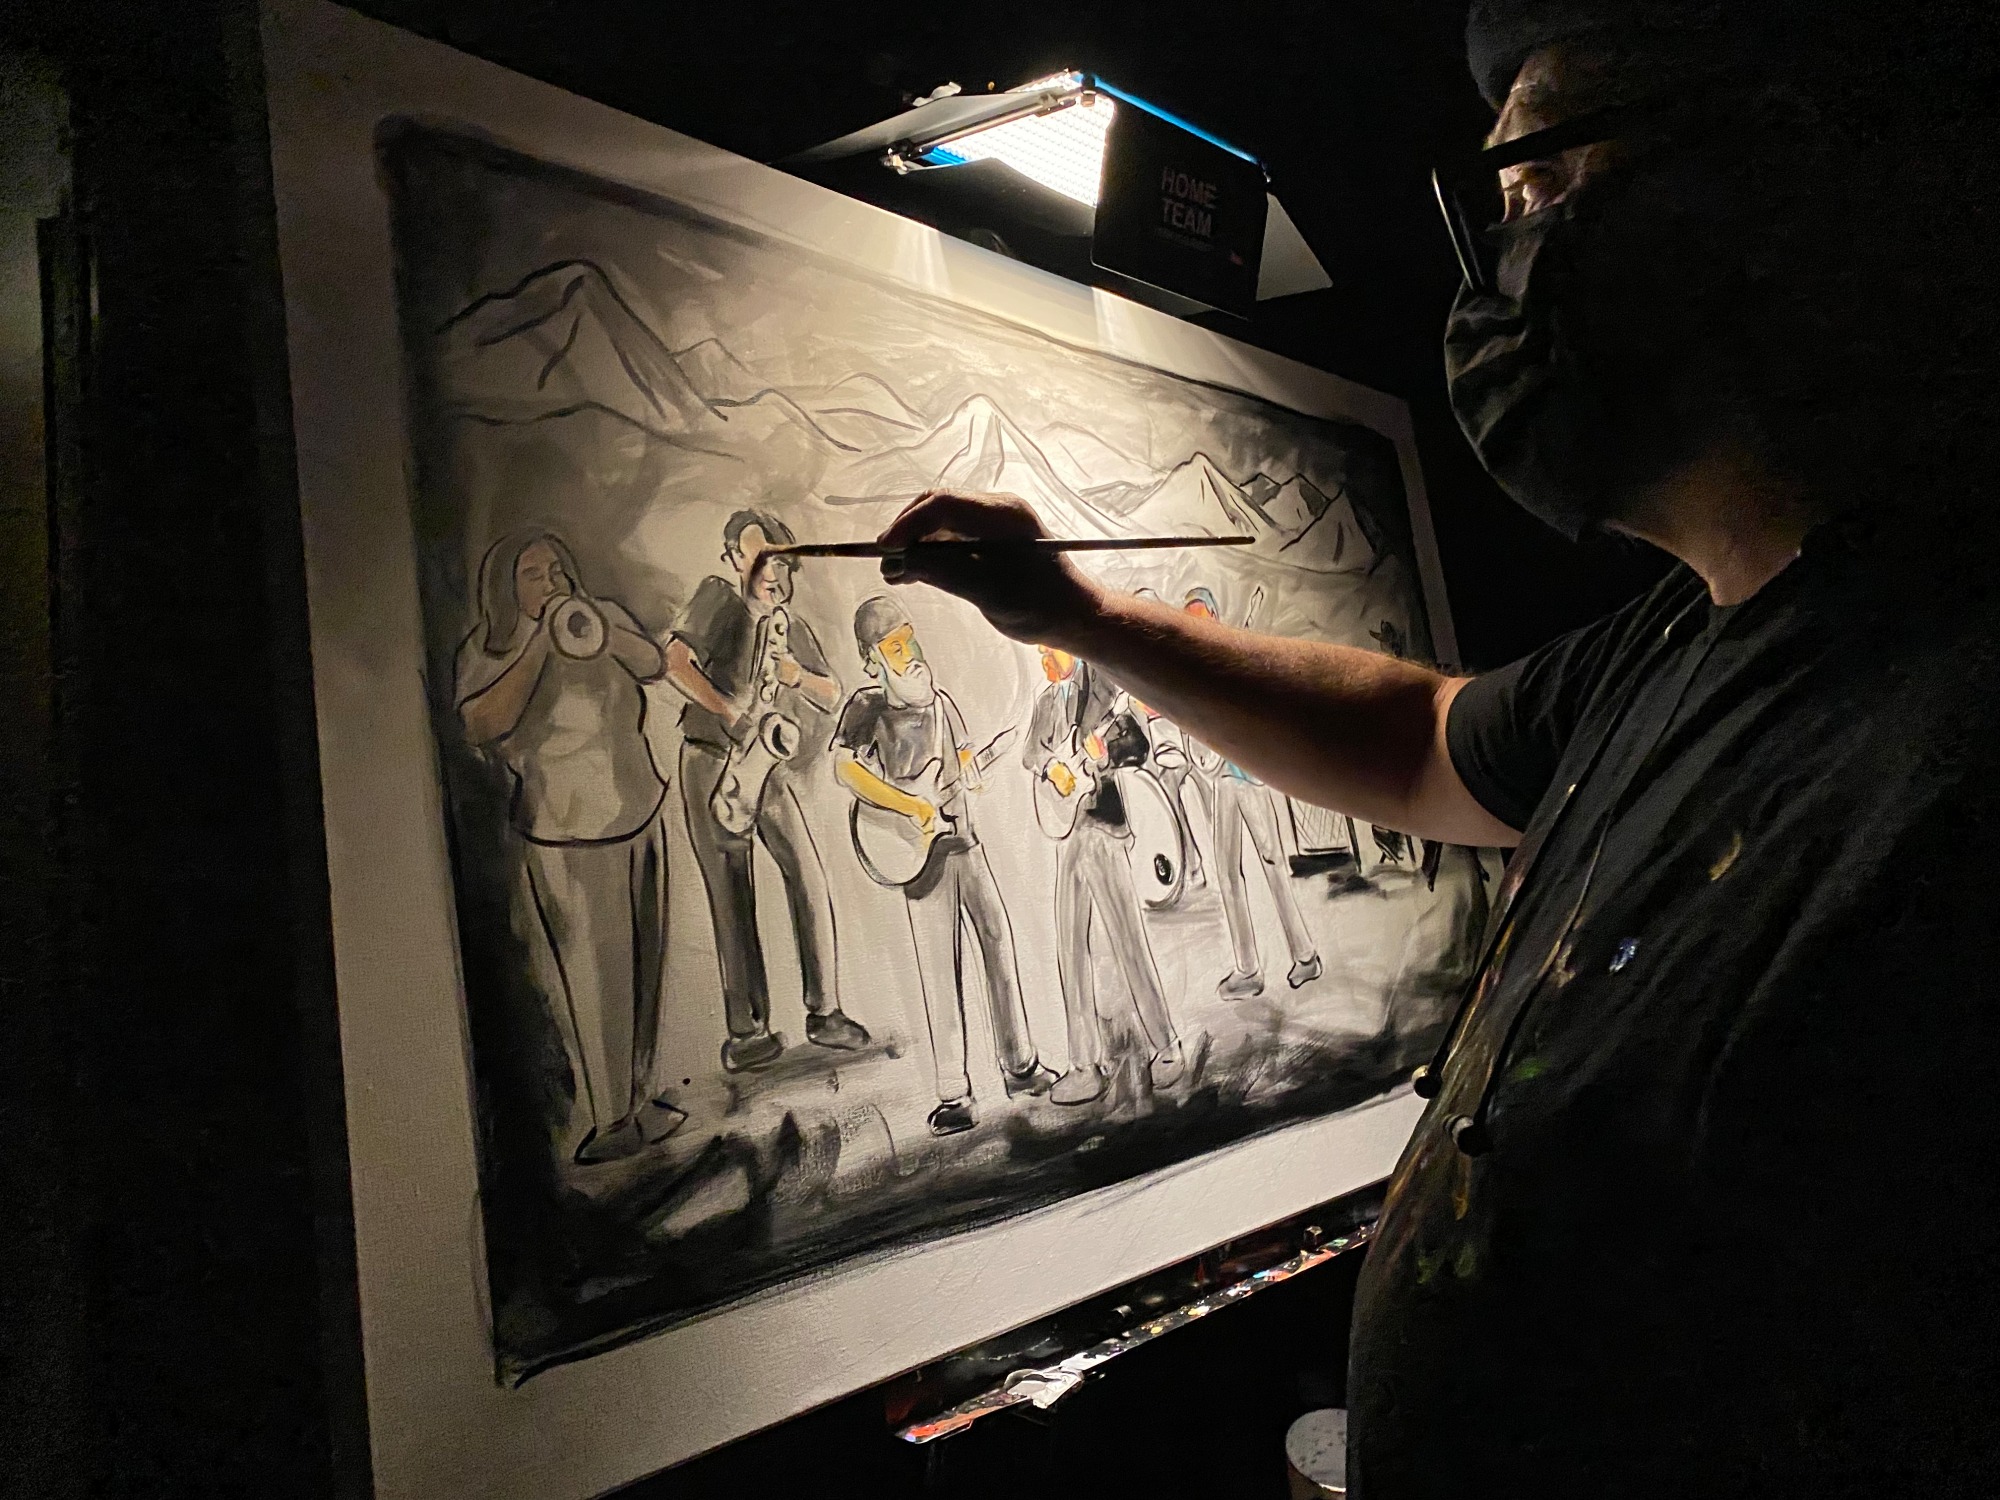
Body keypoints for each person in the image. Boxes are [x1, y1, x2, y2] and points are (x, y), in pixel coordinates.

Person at [872, 0, 2000, 1491]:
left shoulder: (1941, 706)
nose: (1501, 259)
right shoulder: (1674, 644)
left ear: (1773, 171)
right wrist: (1079, 616)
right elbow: (1413, 739)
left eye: (1537, 186)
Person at [456, 529, 684, 1165]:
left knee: (646, 967)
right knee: (593, 977)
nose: (551, 582)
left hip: (638, 808)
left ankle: (639, 1099)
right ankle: (611, 1121)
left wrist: (604, 634)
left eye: (557, 569)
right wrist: (539, 646)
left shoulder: (597, 614)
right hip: (565, 831)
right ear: (505, 590)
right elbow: (480, 724)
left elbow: (654, 664)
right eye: (533, 575)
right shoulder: (489, 648)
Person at [831, 595, 1059, 1135]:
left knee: (997, 941)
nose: (909, 653)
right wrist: (911, 806)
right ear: (871, 659)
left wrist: (971, 771)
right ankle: (954, 1094)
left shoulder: (941, 704)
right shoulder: (867, 708)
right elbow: (844, 770)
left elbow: (964, 766)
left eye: (909, 640)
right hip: (920, 857)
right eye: (894, 647)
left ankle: (1020, 1066)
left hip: (964, 843)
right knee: (940, 968)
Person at [666, 509, 870, 1073]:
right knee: (731, 891)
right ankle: (747, 1033)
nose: (771, 573)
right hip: (711, 758)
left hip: (764, 760)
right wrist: (731, 712)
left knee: (807, 873)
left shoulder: (788, 624)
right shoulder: (717, 600)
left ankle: (824, 1012)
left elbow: (832, 693)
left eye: (780, 562)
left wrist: (795, 676)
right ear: (734, 559)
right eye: (759, 560)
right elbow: (675, 663)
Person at [1026, 644, 1186, 1104]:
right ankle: (1084, 1065)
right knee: (1070, 944)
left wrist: (1103, 756)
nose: (1044, 661)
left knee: (1126, 938)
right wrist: (1053, 767)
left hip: (1103, 827)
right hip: (1069, 832)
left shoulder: (1105, 687)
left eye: (1049, 651)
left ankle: (1167, 1047)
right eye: (1040, 654)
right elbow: (1032, 754)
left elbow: (1137, 746)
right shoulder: (1047, 701)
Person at [1181, 587, 1321, 1000]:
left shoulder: (1231, 661)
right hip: (1222, 780)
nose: (1196, 627)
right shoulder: (1196, 674)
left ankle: (1306, 956)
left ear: (1214, 618)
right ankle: (1247, 969)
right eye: (1190, 621)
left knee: (1273, 863)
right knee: (1227, 872)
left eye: (1201, 618)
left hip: (1251, 779)